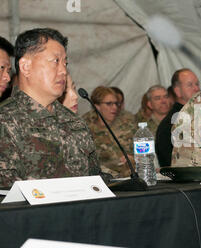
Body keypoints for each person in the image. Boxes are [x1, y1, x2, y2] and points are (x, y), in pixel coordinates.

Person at [0, 28, 101, 187]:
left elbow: (96, 181)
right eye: (55, 61)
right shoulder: (5, 121)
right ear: (26, 67)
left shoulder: (75, 123)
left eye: (65, 63)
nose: (63, 71)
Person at [83, 86, 137, 178]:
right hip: (105, 179)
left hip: (131, 175)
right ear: (97, 106)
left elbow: (143, 149)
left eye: (116, 103)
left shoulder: (128, 122)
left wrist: (132, 157)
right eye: (109, 104)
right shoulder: (85, 126)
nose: (114, 107)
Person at [155, 68, 200, 167]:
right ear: (177, 91)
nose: (196, 88)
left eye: (197, 84)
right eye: (190, 85)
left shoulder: (200, 116)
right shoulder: (170, 124)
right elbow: (170, 163)